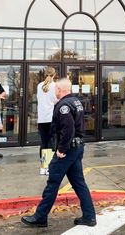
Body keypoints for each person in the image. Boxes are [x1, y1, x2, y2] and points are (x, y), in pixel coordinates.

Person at [21, 78, 96, 228]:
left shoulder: (63, 106)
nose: (54, 91)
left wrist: (61, 150)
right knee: (79, 183)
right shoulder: (76, 101)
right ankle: (89, 216)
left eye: (55, 89)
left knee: (53, 182)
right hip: (76, 148)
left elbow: (68, 130)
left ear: (60, 90)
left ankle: (40, 217)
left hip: (67, 150)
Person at [37, 67, 58, 175]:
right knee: (51, 142)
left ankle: (43, 167)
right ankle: (49, 167)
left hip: (41, 119)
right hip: (51, 118)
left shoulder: (39, 86)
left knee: (43, 142)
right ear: (54, 75)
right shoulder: (54, 86)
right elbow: (56, 100)